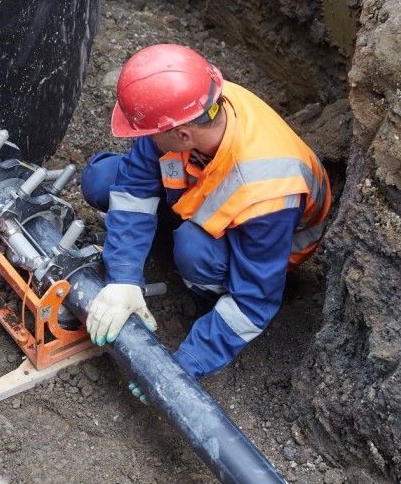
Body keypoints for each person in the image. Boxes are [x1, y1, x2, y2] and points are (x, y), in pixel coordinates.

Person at [82, 44, 331, 396]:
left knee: (193, 249)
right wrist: (123, 275)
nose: (143, 138)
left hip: (264, 240)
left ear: (182, 135)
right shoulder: (190, 102)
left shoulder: (269, 190)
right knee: (102, 179)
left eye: (147, 131)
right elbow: (133, 187)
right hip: (202, 194)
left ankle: (207, 291)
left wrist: (185, 365)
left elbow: (253, 302)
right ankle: (169, 244)